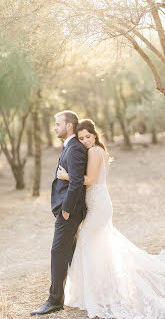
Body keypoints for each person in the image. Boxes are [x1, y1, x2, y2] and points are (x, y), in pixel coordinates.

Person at [57, 118, 165, 319]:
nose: (84, 141)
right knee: (99, 246)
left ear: (95, 135)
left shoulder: (94, 151)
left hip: (99, 206)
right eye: (80, 139)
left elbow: (88, 180)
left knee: (86, 244)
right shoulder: (98, 150)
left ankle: (98, 291)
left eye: (87, 137)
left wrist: (67, 177)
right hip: (99, 203)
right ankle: (104, 288)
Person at [30, 111, 88, 316]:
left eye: (58, 124)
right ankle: (86, 292)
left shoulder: (74, 149)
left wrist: (66, 210)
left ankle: (55, 300)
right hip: (67, 211)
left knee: (58, 252)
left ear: (69, 126)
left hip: (69, 212)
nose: (55, 128)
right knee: (72, 254)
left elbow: (77, 182)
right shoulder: (69, 146)